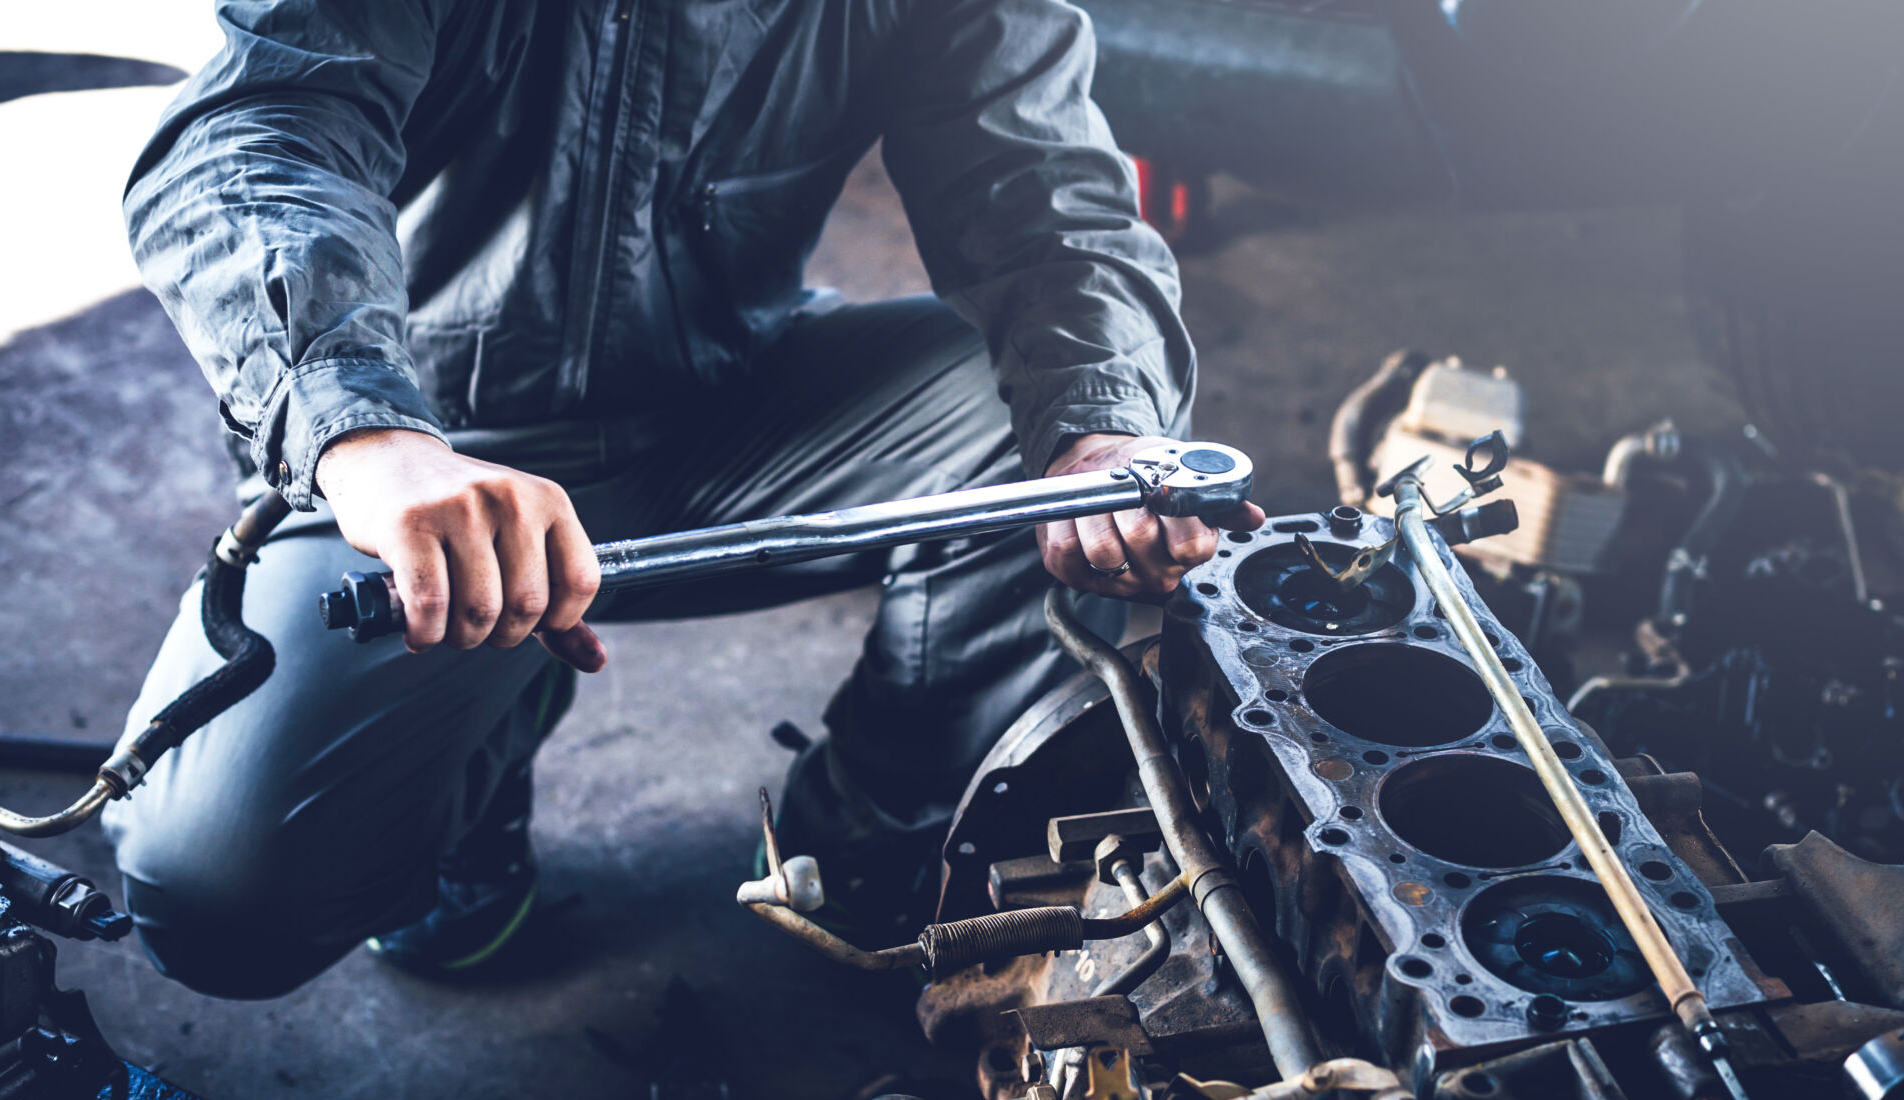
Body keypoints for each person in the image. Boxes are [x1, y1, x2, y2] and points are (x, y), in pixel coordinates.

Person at [106, 0, 1260, 997]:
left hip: (737, 404)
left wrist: (1104, 427)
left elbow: (1041, 188)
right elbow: (257, 133)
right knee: (215, 890)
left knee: (1062, 429)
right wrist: (363, 433)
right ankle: (470, 770)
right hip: (441, 459)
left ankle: (861, 840)